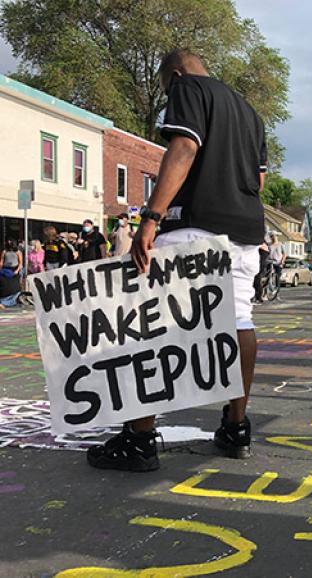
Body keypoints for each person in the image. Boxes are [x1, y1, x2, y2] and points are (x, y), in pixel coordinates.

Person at [86, 48, 268, 471]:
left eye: (167, 87)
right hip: (244, 230)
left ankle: (139, 436)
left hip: (194, 222)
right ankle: (235, 426)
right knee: (239, 319)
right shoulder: (248, 111)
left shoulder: (188, 87)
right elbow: (259, 179)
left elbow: (184, 147)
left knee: (156, 328)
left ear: (176, 73)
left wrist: (150, 218)